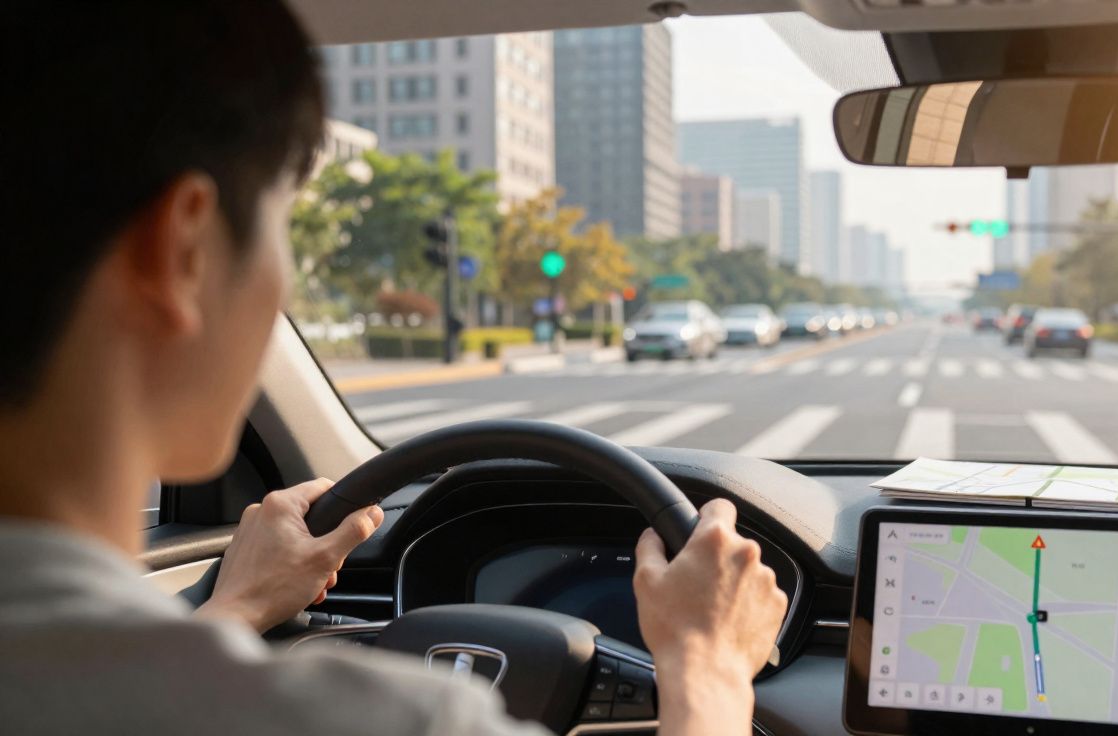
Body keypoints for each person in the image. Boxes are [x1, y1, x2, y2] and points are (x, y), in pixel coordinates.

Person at [0, 2, 788, 735]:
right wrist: (709, 667)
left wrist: (235, 606)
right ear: (182, 252)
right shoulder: (384, 720)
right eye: (289, 226)